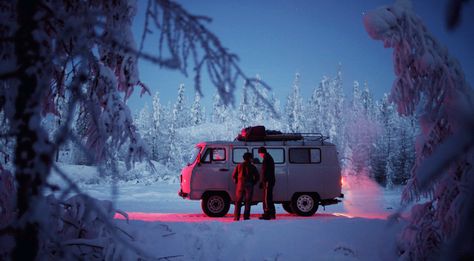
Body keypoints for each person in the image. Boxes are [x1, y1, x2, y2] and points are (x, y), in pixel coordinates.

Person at [233, 152, 259, 221]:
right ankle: (246, 217)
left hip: (240, 185)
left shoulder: (239, 166)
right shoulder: (252, 167)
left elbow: (234, 176)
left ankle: (236, 217)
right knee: (248, 202)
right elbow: (257, 176)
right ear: (250, 158)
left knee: (238, 202)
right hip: (249, 185)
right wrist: (254, 182)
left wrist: (237, 182)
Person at [258, 147, 276, 220]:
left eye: (259, 153)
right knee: (269, 197)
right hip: (270, 180)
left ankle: (267, 214)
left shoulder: (266, 159)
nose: (260, 155)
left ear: (262, 152)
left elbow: (265, 172)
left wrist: (262, 181)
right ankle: (272, 214)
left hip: (267, 181)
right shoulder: (269, 158)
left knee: (266, 198)